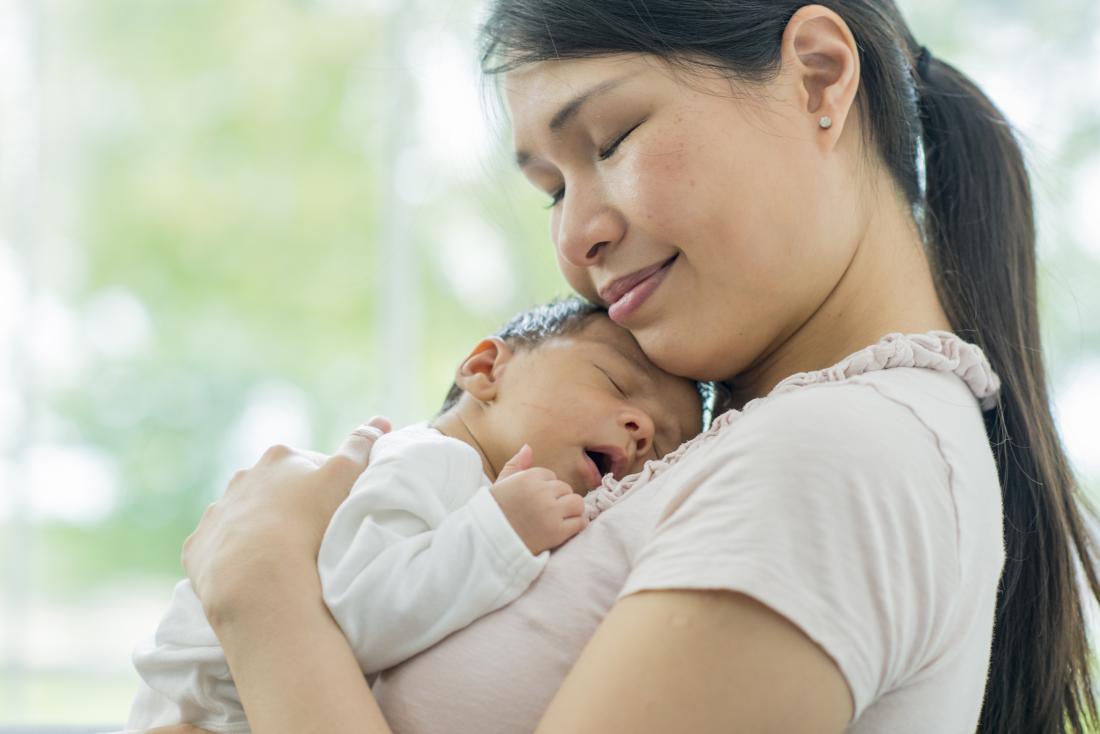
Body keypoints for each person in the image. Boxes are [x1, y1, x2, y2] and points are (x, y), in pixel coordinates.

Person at [150, 2, 1100, 733]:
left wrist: (264, 591)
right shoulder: (754, 446)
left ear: (817, 77)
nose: (578, 234)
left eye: (613, 141)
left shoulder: (831, 459)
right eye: (553, 188)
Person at [125, 298, 702, 732]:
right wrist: (500, 534)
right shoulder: (433, 459)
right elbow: (354, 615)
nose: (642, 428)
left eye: (666, 444)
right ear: (484, 371)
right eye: (617, 383)